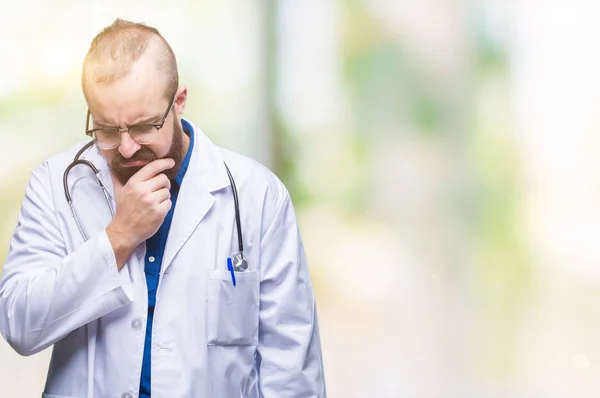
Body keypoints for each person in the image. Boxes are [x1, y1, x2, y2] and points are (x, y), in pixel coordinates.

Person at [0, 18, 326, 397]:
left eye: (143, 126)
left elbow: (291, 371)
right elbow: (19, 323)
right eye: (106, 128)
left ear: (179, 102)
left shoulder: (258, 196)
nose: (125, 148)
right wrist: (119, 237)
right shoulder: (56, 184)